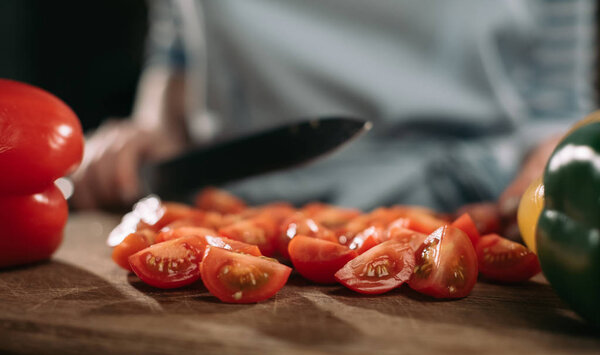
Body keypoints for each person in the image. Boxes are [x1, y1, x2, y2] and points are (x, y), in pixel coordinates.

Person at [71, 0, 596, 225]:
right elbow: (181, 49)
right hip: (223, 209)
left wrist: (562, 165)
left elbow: (555, 107)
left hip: (471, 221)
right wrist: (147, 137)